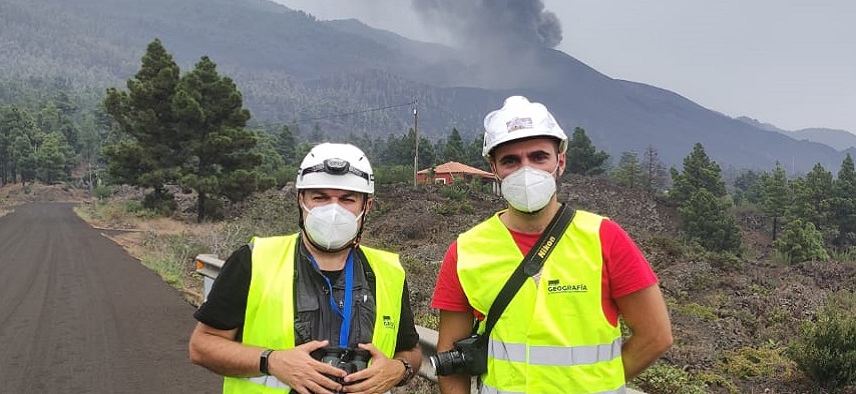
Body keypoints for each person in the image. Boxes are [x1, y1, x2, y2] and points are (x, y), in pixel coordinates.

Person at [431, 96, 673, 394]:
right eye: (511, 160)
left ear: (560, 161)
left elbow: (655, 336)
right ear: (494, 167)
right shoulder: (465, 251)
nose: (526, 170)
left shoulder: (604, 238)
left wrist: (598, 384)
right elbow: (449, 361)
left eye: (538, 157)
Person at [189, 142, 421, 394]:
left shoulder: (388, 272)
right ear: (301, 200)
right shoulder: (254, 261)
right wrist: (272, 361)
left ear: (366, 206)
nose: (333, 210)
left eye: (347, 199)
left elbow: (410, 350)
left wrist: (399, 369)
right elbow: (202, 345)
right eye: (320, 197)